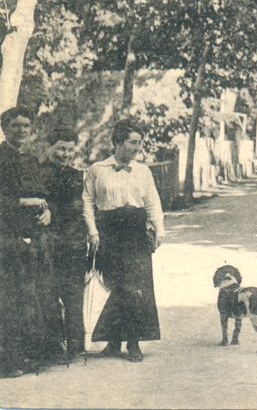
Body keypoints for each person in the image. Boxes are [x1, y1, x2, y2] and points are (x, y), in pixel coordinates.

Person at [83, 119, 164, 362]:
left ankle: (134, 342)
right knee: (116, 285)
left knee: (136, 287)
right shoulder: (97, 169)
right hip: (109, 232)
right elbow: (87, 203)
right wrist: (93, 233)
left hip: (136, 233)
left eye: (139, 142)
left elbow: (152, 201)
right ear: (118, 142)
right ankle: (113, 342)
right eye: (132, 142)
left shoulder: (143, 170)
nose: (137, 147)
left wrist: (159, 230)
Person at [0, 107, 65, 377]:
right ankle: (10, 361)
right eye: (15, 125)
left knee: (37, 296)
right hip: (7, 237)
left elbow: (43, 196)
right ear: (5, 129)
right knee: (10, 299)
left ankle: (37, 355)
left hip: (36, 239)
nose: (22, 130)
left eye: (26, 126)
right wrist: (23, 202)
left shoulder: (32, 159)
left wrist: (48, 212)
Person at [41, 125, 89, 359]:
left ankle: (76, 344)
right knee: (49, 294)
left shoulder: (77, 175)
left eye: (70, 150)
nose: (66, 154)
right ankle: (53, 345)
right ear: (49, 147)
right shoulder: (38, 173)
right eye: (61, 148)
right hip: (48, 243)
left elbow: (84, 209)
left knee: (74, 295)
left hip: (74, 244)